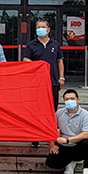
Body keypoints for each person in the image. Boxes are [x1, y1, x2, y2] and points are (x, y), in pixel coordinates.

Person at [23, 19, 65, 147]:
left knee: (52, 110)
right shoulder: (31, 45)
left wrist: (61, 77)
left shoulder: (55, 44)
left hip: (53, 82)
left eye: (43, 27)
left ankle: (51, 135)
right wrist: (38, 66)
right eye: (38, 27)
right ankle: (36, 137)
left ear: (48, 29)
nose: (40, 29)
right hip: (37, 84)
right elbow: (25, 60)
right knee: (37, 110)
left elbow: (60, 61)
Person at [46, 89, 88, 174]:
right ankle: (69, 162)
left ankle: (87, 169)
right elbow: (50, 128)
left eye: (72, 99)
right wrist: (52, 144)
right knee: (50, 162)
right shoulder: (59, 113)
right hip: (63, 146)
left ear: (77, 100)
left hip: (77, 145)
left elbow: (86, 133)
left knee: (87, 144)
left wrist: (69, 140)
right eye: (67, 99)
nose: (70, 101)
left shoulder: (84, 114)